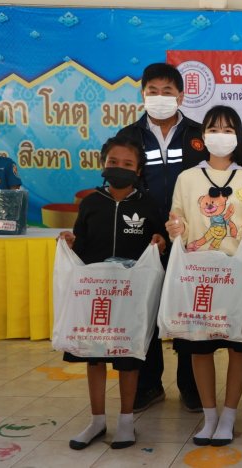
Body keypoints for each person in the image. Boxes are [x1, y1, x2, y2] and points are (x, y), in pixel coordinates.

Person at [165, 105, 242, 446]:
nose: (220, 135)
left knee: (239, 348)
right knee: (200, 348)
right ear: (203, 135)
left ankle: (229, 417)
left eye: (228, 129)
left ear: (238, 137)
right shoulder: (187, 178)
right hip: (199, 279)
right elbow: (177, 218)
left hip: (238, 280)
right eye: (213, 128)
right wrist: (175, 228)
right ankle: (209, 417)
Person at [58, 136, 167, 450]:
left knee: (128, 358)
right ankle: (97, 420)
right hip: (96, 294)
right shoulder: (91, 203)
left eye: (128, 164)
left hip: (130, 294)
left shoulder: (147, 204)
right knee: (94, 357)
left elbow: (160, 239)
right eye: (113, 162)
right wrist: (70, 243)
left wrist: (161, 242)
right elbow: (81, 243)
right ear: (103, 164)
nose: (120, 168)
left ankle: (126, 422)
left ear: (139, 170)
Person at [117, 62, 208, 413]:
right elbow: (123, 186)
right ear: (142, 95)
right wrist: (149, 229)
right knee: (145, 312)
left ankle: (190, 386)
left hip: (190, 239)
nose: (159, 97)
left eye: (167, 91)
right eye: (152, 91)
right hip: (144, 237)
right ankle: (149, 384)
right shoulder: (129, 136)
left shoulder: (199, 134)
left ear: (181, 96)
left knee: (188, 312)